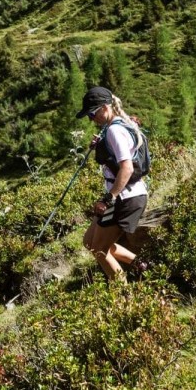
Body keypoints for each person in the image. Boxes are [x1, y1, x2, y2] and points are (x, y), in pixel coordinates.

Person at [79, 86, 149, 281]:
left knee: (99, 250)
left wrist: (109, 199)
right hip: (130, 193)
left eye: (92, 113)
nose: (91, 119)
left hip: (124, 198)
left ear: (105, 107)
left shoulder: (115, 130)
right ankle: (141, 265)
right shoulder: (120, 125)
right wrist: (101, 144)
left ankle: (122, 296)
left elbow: (126, 168)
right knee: (89, 242)